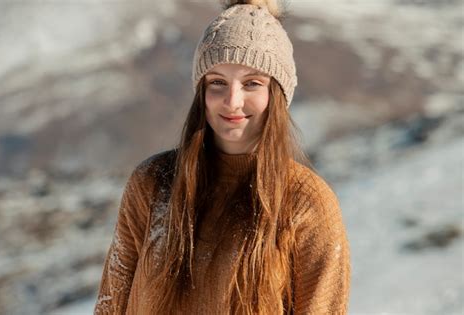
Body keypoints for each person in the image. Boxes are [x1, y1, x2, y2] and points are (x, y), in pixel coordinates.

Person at [94, 0, 350, 314]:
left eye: (252, 84)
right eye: (217, 83)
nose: (232, 101)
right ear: (201, 92)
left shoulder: (307, 204)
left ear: (277, 95)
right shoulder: (152, 183)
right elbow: (111, 304)